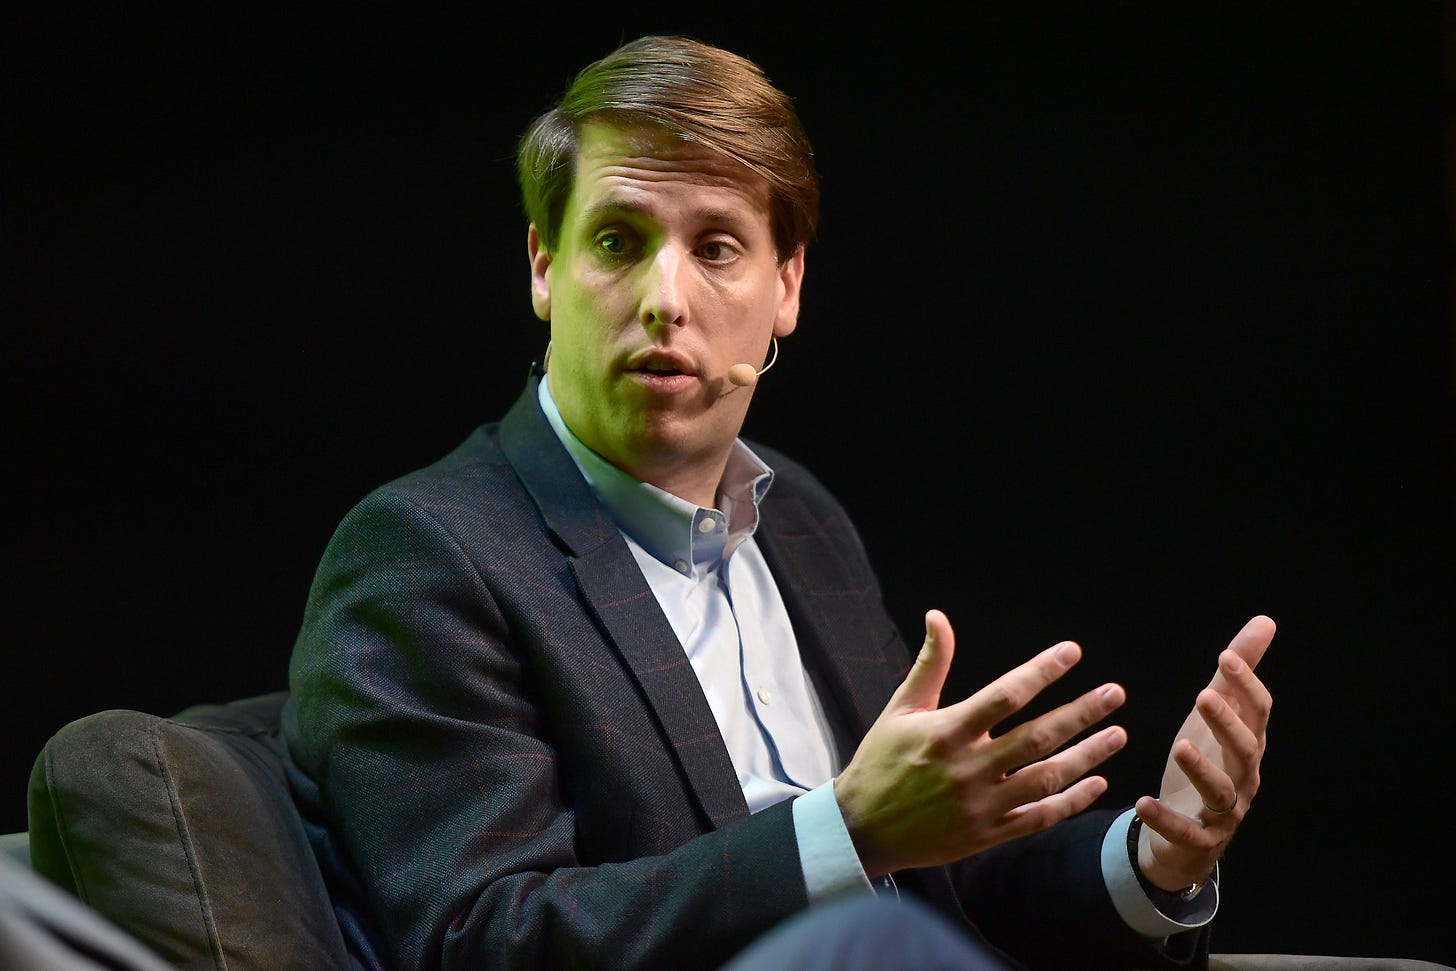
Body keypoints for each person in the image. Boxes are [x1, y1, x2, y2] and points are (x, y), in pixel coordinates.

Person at [280, 33, 1275, 971]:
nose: (664, 297)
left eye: (716, 247)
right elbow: (484, 935)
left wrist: (1154, 860)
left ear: (785, 287)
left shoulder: (800, 518)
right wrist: (847, 832)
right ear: (544, 267)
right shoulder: (425, 552)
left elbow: (944, 878)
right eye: (619, 240)